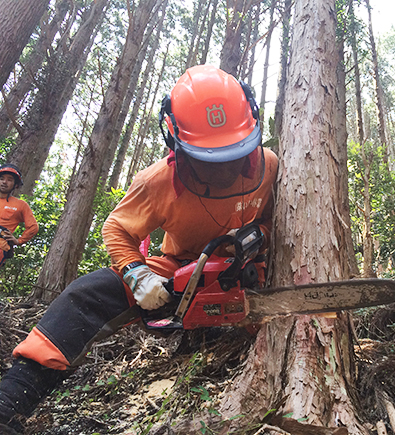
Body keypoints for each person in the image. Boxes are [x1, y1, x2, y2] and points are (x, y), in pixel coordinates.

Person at [0, 65, 278, 433]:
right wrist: (137, 272)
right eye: (210, 158)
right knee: (88, 295)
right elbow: (115, 227)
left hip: (245, 270)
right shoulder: (158, 181)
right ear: (175, 140)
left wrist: (256, 236)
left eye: (234, 152)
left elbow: (277, 219)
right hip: (178, 269)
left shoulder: (268, 167)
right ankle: (13, 398)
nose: (224, 168)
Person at [0, 164, 39, 267]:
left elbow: (33, 227)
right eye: (1, 178)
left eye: (9, 180)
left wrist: (18, 241)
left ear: (15, 185)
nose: (4, 182)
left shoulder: (20, 205)